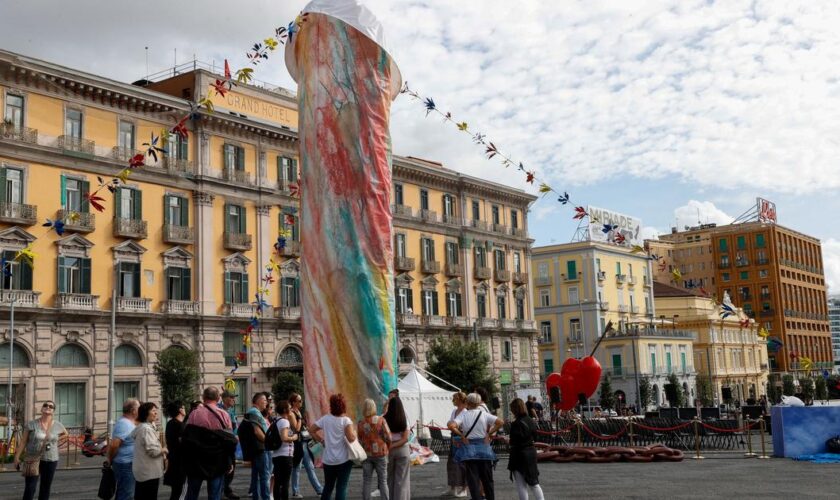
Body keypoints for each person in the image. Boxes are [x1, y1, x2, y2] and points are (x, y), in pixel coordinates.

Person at [448, 393, 504, 500]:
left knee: (473, 480)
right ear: (478, 403)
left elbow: (451, 425)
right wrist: (489, 433)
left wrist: (462, 435)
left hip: (469, 450)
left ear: (467, 402)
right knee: (487, 479)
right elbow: (500, 422)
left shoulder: (464, 415)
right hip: (484, 449)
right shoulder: (484, 414)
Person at [183, 387, 235, 500]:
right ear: (218, 398)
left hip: (196, 460)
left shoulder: (194, 414)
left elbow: (187, 437)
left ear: (203, 397)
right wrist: (229, 460)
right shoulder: (224, 415)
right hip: (217, 460)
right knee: (215, 495)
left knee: (192, 494)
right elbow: (229, 440)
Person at [14, 400, 68, 500]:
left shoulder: (57, 425)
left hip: (51, 459)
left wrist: (55, 440)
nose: (48, 407)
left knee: (45, 487)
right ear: (42, 409)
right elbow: (23, 442)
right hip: (33, 458)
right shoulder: (32, 424)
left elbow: (66, 434)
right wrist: (17, 457)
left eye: (51, 406)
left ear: (53, 411)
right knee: (30, 487)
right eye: (45, 405)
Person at [310, 394, 357, 500]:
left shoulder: (325, 419)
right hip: (344, 460)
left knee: (328, 487)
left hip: (328, 460)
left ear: (331, 406)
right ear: (343, 406)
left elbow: (311, 430)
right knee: (341, 487)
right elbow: (351, 438)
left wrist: (321, 440)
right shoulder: (346, 421)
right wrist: (354, 433)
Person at [507, 398, 544, 500]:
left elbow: (513, 441)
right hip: (531, 453)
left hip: (518, 455)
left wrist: (506, 440)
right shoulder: (531, 421)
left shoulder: (515, 424)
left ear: (514, 410)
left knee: (521, 485)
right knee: (534, 483)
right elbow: (535, 437)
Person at [289, 393, 323, 498]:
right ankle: (298, 491)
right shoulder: (291, 413)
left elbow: (303, 427)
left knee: (306, 467)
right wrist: (299, 419)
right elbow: (296, 428)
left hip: (304, 441)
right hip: (298, 443)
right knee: (299, 467)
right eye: (299, 401)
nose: (301, 402)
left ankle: (318, 490)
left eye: (301, 400)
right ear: (293, 402)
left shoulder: (299, 412)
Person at [132, 402, 168, 500]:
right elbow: (153, 451)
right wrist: (163, 449)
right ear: (146, 413)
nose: (156, 413)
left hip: (144, 471)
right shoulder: (146, 429)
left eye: (156, 411)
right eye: (153, 411)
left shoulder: (144, 427)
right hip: (149, 472)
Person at [358, 398, 391, 500]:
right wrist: (387, 447)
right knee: (383, 481)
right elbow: (389, 437)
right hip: (381, 454)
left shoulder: (361, 423)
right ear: (374, 408)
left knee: (367, 480)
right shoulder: (381, 420)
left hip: (367, 455)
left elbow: (359, 439)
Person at [108, 398, 140, 500]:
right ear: (133, 410)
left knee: (125, 493)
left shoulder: (129, 422)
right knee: (126, 495)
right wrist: (110, 460)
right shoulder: (124, 424)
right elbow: (114, 445)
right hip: (125, 465)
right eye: (138, 407)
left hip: (127, 464)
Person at [383, 396, 410, 500]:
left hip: (388, 450)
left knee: (389, 478)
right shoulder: (403, 419)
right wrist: (395, 445)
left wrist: (390, 446)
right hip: (403, 450)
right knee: (402, 480)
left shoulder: (384, 419)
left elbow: (382, 436)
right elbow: (405, 438)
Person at [271, 400, 299, 500]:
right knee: (285, 483)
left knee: (278, 482)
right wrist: (294, 438)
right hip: (285, 455)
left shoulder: (276, 420)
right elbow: (284, 438)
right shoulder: (284, 421)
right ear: (284, 410)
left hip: (276, 455)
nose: (291, 410)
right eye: (289, 408)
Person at [218, 390, 240, 500]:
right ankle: (220, 491)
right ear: (225, 398)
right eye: (232, 397)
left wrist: (236, 435)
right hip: (222, 444)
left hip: (231, 444)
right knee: (224, 467)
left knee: (231, 467)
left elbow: (234, 425)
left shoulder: (231, 410)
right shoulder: (219, 409)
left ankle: (227, 489)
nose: (234, 400)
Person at [446, 392, 468, 498]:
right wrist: (451, 425)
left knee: (462, 463)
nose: (453, 401)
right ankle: (453, 488)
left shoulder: (465, 411)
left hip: (461, 439)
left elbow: (452, 424)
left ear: (459, 399)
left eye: (454, 399)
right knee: (452, 462)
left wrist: (452, 425)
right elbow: (450, 423)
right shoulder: (454, 411)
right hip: (454, 437)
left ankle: (464, 488)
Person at [163, 402, 187, 500]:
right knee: (180, 492)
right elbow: (184, 445)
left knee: (175, 491)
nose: (185, 409)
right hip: (181, 463)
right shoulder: (181, 426)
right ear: (180, 410)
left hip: (173, 460)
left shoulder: (170, 423)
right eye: (184, 407)